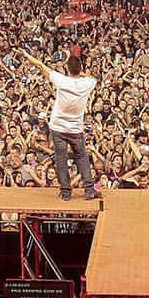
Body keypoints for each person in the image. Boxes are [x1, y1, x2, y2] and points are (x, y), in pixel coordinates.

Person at [18, 48, 98, 202]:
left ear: (67, 68)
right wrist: (80, 73)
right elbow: (93, 77)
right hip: (75, 128)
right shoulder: (87, 83)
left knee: (61, 159)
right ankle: (89, 190)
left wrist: (27, 55)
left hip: (58, 127)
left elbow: (41, 66)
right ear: (80, 69)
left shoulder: (61, 80)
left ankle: (66, 192)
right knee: (81, 157)